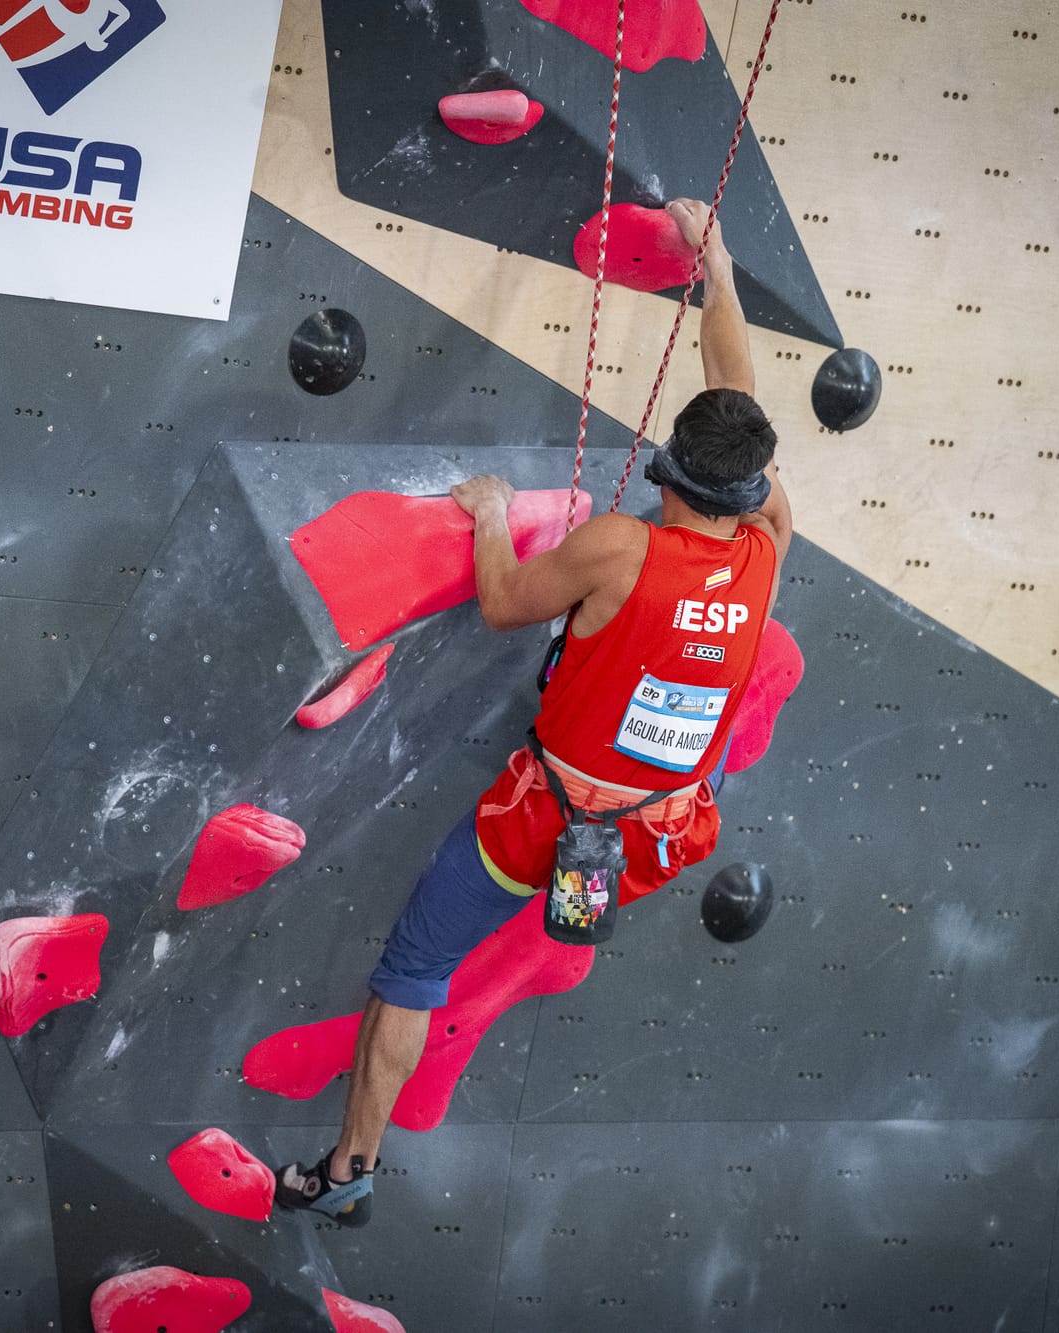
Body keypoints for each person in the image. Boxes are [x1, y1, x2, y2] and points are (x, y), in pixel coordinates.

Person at [275, 198, 792, 1226]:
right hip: (666, 824)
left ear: (670, 474)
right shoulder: (766, 541)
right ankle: (566, 921)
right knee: (584, 865)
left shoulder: (621, 549)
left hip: (550, 816)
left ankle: (348, 1172)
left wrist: (482, 517)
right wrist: (717, 272)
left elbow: (509, 603)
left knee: (413, 965)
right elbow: (735, 396)